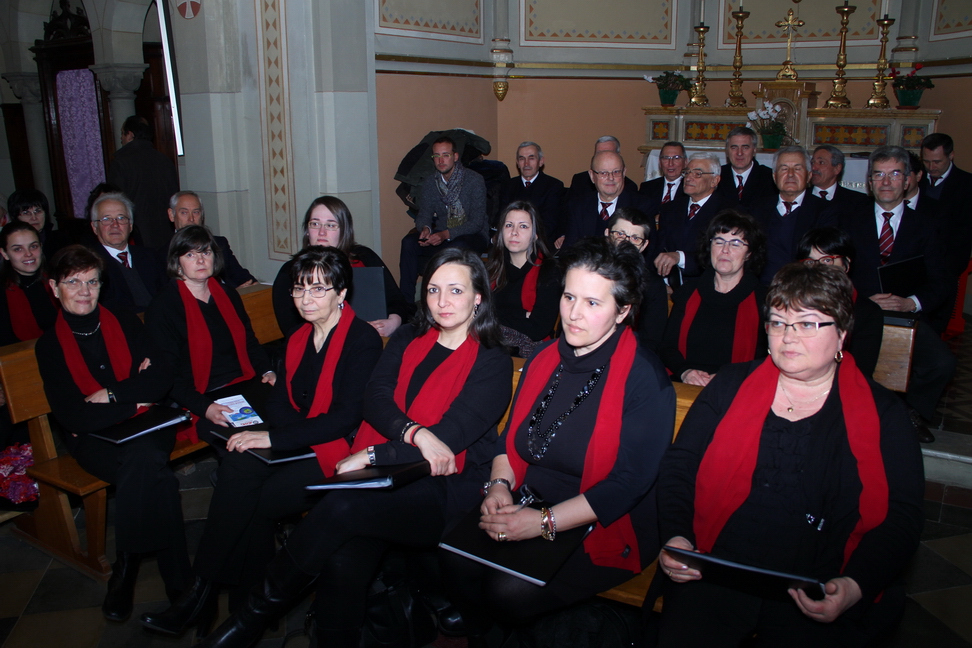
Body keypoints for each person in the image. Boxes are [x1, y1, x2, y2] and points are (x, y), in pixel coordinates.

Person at [196, 247, 512, 648]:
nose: (442, 302)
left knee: (342, 508)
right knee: (344, 551)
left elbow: (450, 439)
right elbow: (375, 398)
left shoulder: (492, 360)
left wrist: (376, 454)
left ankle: (249, 620)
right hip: (389, 469)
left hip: (443, 488)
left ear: (478, 297)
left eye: (455, 290)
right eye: (433, 290)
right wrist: (413, 433)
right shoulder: (410, 335)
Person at [655, 262, 924, 646]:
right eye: (778, 322)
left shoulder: (883, 414)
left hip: (818, 585)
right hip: (716, 569)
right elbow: (680, 467)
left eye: (808, 323)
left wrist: (853, 584)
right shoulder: (730, 384)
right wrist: (679, 538)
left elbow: (902, 515)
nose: (788, 337)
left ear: (842, 334)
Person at [140, 247, 382, 637]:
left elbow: (344, 419)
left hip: (340, 451)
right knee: (239, 464)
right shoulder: (299, 338)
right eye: (299, 289)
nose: (306, 299)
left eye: (319, 289)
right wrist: (272, 437)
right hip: (302, 441)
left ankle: (214, 601)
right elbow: (283, 403)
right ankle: (229, 606)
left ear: (341, 293)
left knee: (249, 497)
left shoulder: (362, 340)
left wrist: (274, 437)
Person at [440, 237, 674, 638]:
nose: (573, 315)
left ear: (623, 312)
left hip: (600, 518)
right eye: (569, 297)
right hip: (529, 498)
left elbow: (627, 485)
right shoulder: (545, 358)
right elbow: (510, 439)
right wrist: (498, 487)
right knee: (455, 560)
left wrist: (543, 523)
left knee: (507, 591)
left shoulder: (644, 380)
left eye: (592, 303)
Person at [34, 245, 190, 623]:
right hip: (94, 441)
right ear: (55, 288)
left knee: (143, 458)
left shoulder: (123, 321)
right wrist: (135, 398)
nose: (84, 290)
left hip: (148, 425)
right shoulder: (50, 346)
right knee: (158, 476)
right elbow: (73, 415)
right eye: (73, 282)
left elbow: (161, 378)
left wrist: (114, 394)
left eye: (92, 281)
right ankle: (180, 585)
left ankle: (125, 568)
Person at [842, 146, 954, 443]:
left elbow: (942, 280)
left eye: (894, 174)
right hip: (860, 312)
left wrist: (911, 302)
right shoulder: (849, 220)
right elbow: (833, 271)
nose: (886, 181)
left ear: (907, 181)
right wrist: (861, 299)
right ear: (869, 182)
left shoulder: (927, 226)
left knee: (942, 363)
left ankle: (908, 410)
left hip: (906, 314)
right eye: (878, 174)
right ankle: (853, 412)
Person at [145, 225, 275, 450]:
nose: (200, 260)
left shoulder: (227, 294)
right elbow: (168, 375)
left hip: (243, 383)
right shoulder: (163, 308)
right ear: (177, 262)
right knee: (245, 447)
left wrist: (267, 371)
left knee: (285, 425)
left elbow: (249, 342)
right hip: (200, 395)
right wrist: (205, 407)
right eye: (190, 254)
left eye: (206, 252)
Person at [273, 196, 413, 337]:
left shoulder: (364, 257)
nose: (322, 232)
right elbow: (292, 329)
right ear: (307, 230)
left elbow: (396, 299)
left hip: (375, 338)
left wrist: (393, 322)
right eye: (315, 224)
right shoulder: (291, 271)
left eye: (331, 225)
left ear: (344, 231)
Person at [660, 210, 768, 386]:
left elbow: (767, 359)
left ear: (749, 253)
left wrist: (728, 377)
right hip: (685, 384)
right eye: (719, 241)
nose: (725, 250)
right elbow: (666, 348)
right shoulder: (688, 292)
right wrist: (685, 372)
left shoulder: (763, 299)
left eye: (735, 243)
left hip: (738, 388)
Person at [399, 136, 489, 301]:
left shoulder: (474, 180)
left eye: (445, 155)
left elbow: (476, 223)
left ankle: (448, 300)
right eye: (436, 156)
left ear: (455, 157)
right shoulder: (430, 183)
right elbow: (424, 213)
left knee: (456, 247)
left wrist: (445, 235)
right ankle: (405, 305)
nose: (441, 160)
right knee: (409, 243)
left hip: (472, 235)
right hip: (442, 233)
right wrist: (425, 228)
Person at [796, 227, 883, 378]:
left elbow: (861, 370)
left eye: (827, 260)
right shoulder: (794, 306)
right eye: (810, 261)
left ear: (846, 264)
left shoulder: (867, 312)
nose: (819, 268)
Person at [750, 146, 837, 284]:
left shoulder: (825, 211)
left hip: (805, 288)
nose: (790, 174)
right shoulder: (756, 209)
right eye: (784, 169)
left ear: (809, 175)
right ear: (774, 176)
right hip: (761, 288)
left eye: (797, 168)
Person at [485, 201, 561, 358]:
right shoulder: (492, 268)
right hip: (490, 343)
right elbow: (476, 313)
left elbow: (538, 329)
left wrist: (493, 315)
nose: (514, 232)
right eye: (509, 225)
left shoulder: (549, 270)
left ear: (536, 234)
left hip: (530, 350)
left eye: (523, 226)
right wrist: (522, 315)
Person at [653, 153, 731, 286]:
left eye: (697, 174)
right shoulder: (670, 208)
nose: (689, 178)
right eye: (687, 172)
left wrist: (680, 257)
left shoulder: (727, 212)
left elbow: (720, 257)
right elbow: (660, 247)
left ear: (715, 180)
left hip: (709, 286)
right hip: (668, 284)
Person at [106, 115, 180, 251]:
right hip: (165, 231)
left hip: (136, 233)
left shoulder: (121, 163)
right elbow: (174, 198)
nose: (121, 139)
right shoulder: (165, 161)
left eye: (122, 134)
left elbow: (115, 203)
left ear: (130, 134)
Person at [88, 192, 167, 314]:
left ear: (130, 226)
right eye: (106, 219)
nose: (115, 225)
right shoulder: (90, 264)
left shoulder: (150, 256)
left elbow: (168, 295)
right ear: (94, 227)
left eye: (121, 218)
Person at [562, 150, 657, 250]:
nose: (611, 178)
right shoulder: (577, 206)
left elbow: (649, 252)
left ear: (624, 173)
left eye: (616, 172)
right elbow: (570, 249)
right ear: (592, 176)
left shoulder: (642, 206)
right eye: (603, 173)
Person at [605, 208, 668, 353]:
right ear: (607, 235)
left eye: (635, 238)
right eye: (620, 234)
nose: (626, 243)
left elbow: (651, 340)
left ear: (644, 245)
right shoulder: (589, 274)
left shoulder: (653, 285)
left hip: (631, 354)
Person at [167, 191, 258, 289]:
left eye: (196, 212)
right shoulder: (164, 254)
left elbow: (242, 276)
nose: (191, 219)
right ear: (172, 215)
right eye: (184, 213)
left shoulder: (219, 243)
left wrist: (250, 287)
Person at [0, 221, 58, 346]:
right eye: (18, 249)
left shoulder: (57, 282)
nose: (28, 254)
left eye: (33, 246)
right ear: (5, 254)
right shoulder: (3, 291)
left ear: (41, 247)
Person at [497, 141, 565, 245]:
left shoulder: (554, 186)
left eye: (531, 158)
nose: (526, 163)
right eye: (522, 159)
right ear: (517, 162)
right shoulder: (507, 186)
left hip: (539, 242)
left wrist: (527, 239)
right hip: (511, 241)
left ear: (541, 161)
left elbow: (550, 222)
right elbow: (502, 218)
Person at [716, 126, 777, 207]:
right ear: (727, 151)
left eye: (745, 147)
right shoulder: (716, 176)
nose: (739, 153)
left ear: (754, 150)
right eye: (734, 147)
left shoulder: (770, 178)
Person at [809, 145, 870, 221]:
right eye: (812, 162)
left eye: (821, 162)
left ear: (837, 168)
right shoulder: (800, 196)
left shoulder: (857, 201)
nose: (814, 167)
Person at [7, 188, 65, 260]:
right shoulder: (10, 244)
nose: (34, 218)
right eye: (26, 213)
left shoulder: (61, 240)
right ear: (16, 217)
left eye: (38, 211)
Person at [639, 141, 688, 208]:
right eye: (666, 158)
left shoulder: (690, 188)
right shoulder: (647, 188)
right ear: (660, 162)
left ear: (685, 162)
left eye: (676, 158)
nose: (670, 163)